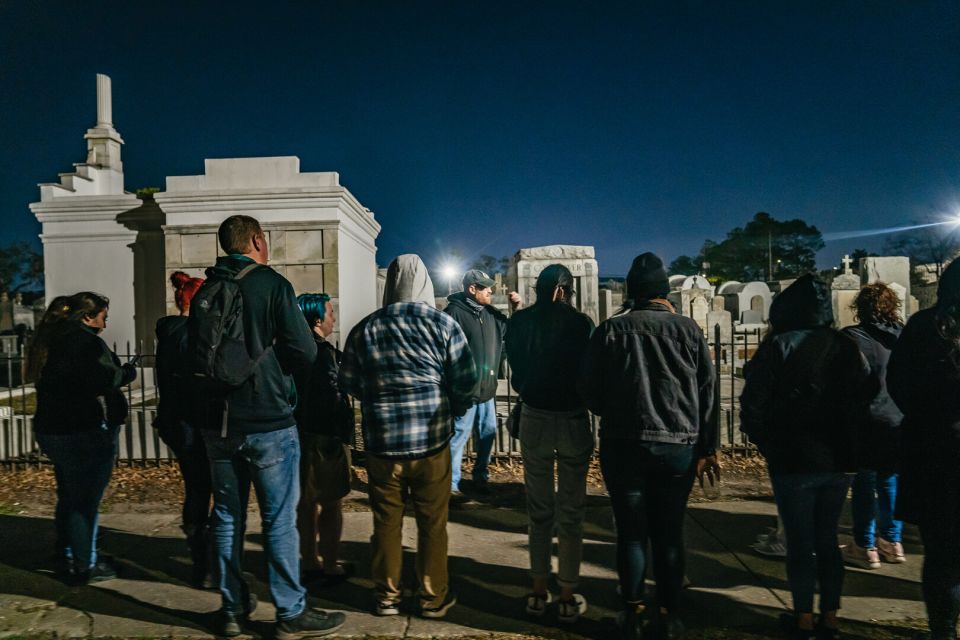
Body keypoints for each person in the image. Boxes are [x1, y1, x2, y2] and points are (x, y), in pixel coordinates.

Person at [195, 215, 344, 638]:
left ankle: (231, 609)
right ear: (258, 240)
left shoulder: (206, 288)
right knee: (279, 520)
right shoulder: (273, 285)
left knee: (226, 517)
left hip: (218, 421)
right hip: (268, 420)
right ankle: (289, 611)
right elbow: (304, 349)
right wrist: (283, 379)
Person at [578, 252, 718, 640]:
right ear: (664, 292)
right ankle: (670, 614)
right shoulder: (688, 331)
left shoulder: (609, 331)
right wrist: (708, 447)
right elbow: (707, 392)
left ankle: (632, 611)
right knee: (670, 532)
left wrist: (615, 410)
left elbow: (589, 389)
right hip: (677, 445)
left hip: (624, 443)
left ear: (632, 292)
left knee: (631, 531)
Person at [339, 254, 477, 618]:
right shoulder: (443, 325)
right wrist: (452, 407)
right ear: (427, 286)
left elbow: (349, 382)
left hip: (383, 446)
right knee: (433, 523)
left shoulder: (366, 328)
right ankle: (433, 596)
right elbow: (466, 381)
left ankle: (387, 595)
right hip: (431, 443)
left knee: (386, 521)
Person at [740, 274, 871, 640]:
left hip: (794, 459)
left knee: (800, 543)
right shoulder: (844, 346)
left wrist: (768, 443)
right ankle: (829, 619)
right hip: (837, 459)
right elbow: (865, 394)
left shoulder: (779, 345)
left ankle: (803, 620)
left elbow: (752, 405)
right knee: (827, 540)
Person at [505, 264, 594, 623]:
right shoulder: (580, 324)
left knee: (539, 509)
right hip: (572, 417)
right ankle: (568, 592)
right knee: (571, 512)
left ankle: (538, 590)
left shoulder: (520, 322)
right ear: (563, 289)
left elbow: (517, 374)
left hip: (535, 415)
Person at [29, 292, 137, 585]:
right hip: (81, 429)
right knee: (84, 501)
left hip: (51, 428)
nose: (106, 320)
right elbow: (105, 378)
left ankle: (67, 552)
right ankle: (85, 564)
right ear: (87, 317)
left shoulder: (52, 340)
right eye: (103, 315)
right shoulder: (87, 342)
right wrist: (126, 373)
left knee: (69, 494)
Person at [888, 260, 960, 640]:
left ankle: (943, 628)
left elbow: (898, 383)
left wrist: (928, 416)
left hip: (935, 455)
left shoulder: (923, 327)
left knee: (942, 554)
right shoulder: (924, 328)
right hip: (938, 452)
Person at [155, 271, 213, 589]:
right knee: (210, 489)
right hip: (197, 423)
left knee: (196, 489)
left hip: (175, 421)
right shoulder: (191, 334)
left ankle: (200, 558)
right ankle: (207, 561)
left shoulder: (168, 333)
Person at [840, 283, 905, 570]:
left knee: (864, 482)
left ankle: (865, 546)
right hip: (896, 418)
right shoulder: (902, 337)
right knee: (890, 481)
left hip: (865, 419)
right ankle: (892, 541)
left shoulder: (852, 337)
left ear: (860, 308)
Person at [293, 293, 355, 589]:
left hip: (297, 434)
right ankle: (329, 564)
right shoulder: (323, 353)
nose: (334, 319)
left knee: (304, 505)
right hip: (325, 438)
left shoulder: (291, 350)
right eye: (330, 313)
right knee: (331, 504)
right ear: (317, 320)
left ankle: (308, 561)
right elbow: (333, 396)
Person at [444, 269, 521, 496]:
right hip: (464, 392)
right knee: (458, 437)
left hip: (487, 390)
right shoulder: (453, 314)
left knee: (487, 434)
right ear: (472, 289)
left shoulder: (491, 314)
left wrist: (516, 309)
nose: (490, 290)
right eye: (485, 287)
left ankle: (481, 477)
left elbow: (511, 331)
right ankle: (450, 485)